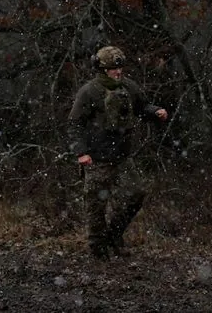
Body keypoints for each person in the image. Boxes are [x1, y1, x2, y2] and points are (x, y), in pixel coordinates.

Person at [67, 45, 168, 257]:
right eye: (113, 68)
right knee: (96, 205)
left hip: (122, 156)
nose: (118, 72)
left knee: (136, 194)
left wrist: (156, 111)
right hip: (97, 159)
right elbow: (75, 124)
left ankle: (114, 235)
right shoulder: (89, 92)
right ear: (102, 69)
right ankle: (97, 248)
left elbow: (142, 107)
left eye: (120, 68)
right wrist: (81, 153)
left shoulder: (129, 87)